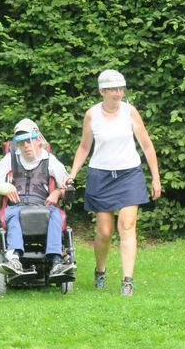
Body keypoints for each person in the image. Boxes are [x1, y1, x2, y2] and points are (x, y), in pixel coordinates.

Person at [66, 69, 161, 296]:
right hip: (101, 175)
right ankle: (100, 270)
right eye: (113, 90)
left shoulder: (130, 112)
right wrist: (72, 173)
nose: (118, 94)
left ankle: (127, 281)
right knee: (104, 232)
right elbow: (84, 147)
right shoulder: (92, 115)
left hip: (129, 174)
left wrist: (156, 178)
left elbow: (147, 146)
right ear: (102, 91)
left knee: (127, 226)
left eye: (121, 89)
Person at [0, 118, 75, 278]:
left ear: (38, 139)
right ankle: (14, 260)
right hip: (16, 206)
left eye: (29, 140)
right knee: (14, 215)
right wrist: (3, 187)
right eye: (21, 142)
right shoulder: (10, 159)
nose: (26, 146)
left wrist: (57, 193)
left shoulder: (49, 160)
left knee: (55, 214)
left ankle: (56, 261)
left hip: (43, 206)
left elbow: (67, 184)